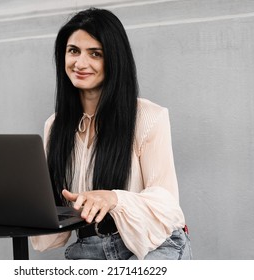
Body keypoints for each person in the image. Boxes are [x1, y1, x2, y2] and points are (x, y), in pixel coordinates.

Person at [31, 7, 192, 260]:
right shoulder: (55, 126)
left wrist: (114, 199)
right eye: (73, 51)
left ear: (114, 59)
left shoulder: (148, 117)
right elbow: (53, 230)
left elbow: (168, 207)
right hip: (87, 249)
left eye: (95, 54)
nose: (80, 63)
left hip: (150, 247)